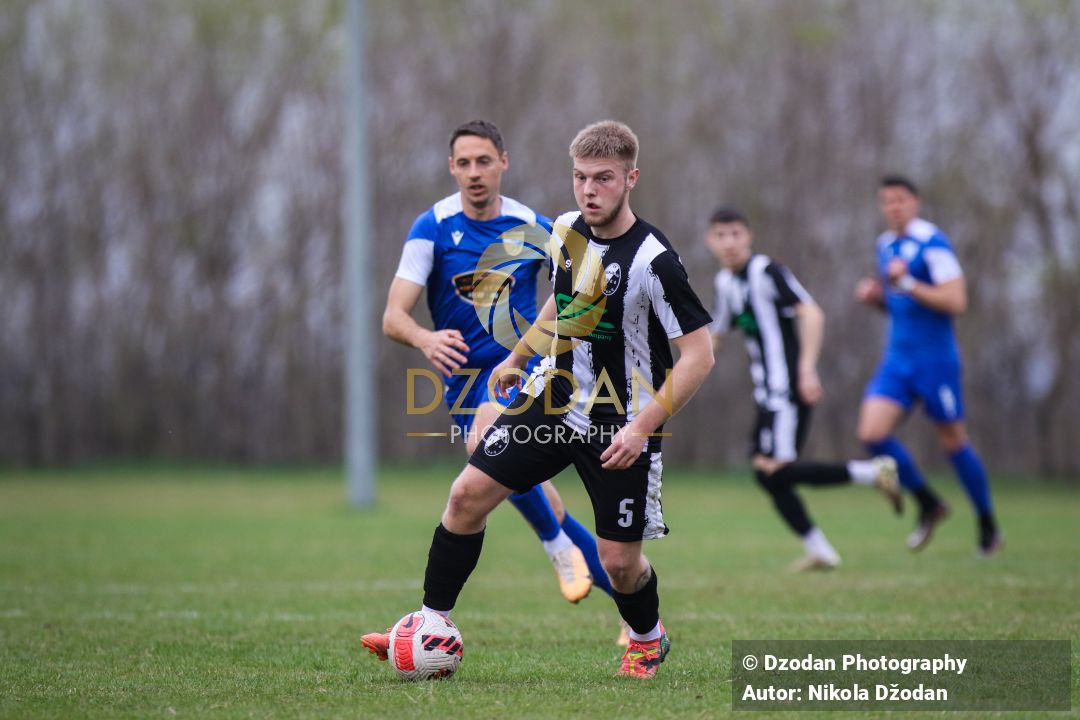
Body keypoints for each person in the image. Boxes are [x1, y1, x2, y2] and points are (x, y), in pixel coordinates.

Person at [363, 120, 715, 678]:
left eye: (603, 178)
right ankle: (430, 620)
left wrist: (643, 427)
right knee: (466, 497)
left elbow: (699, 355)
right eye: (579, 177)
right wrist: (518, 358)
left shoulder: (654, 260)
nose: (588, 189)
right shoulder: (568, 229)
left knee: (619, 565)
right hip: (552, 401)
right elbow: (561, 303)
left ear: (630, 179)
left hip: (619, 424)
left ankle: (648, 636)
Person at [376, 120, 617, 617]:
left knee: (483, 444)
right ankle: (633, 607)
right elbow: (393, 316)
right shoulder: (433, 226)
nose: (474, 173)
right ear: (451, 168)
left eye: (484, 161)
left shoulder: (534, 225)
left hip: (522, 372)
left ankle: (556, 549)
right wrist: (425, 337)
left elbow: (585, 283)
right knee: (515, 488)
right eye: (463, 163)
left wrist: (553, 336)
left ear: (503, 162)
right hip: (461, 385)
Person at [706, 208, 902, 572]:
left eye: (735, 233)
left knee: (775, 472)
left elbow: (812, 313)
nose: (729, 242)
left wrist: (807, 370)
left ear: (748, 236)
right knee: (767, 475)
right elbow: (713, 337)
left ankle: (873, 473)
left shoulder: (766, 271)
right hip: (767, 394)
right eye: (721, 235)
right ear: (710, 241)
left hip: (787, 389)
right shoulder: (725, 284)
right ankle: (822, 550)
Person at [855, 175, 1001, 556]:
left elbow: (956, 301)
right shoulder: (885, 244)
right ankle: (928, 502)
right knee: (872, 434)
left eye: (900, 200)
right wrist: (876, 298)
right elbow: (899, 302)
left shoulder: (932, 243)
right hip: (897, 360)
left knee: (952, 441)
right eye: (886, 201)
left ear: (915, 202)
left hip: (936, 361)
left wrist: (908, 282)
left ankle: (987, 523)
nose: (893, 207)